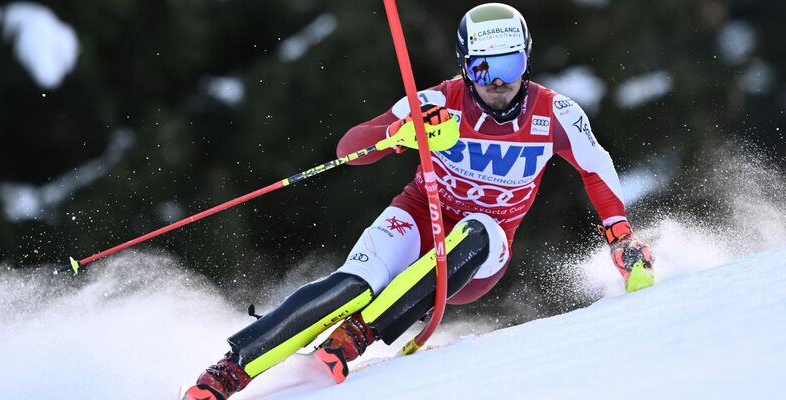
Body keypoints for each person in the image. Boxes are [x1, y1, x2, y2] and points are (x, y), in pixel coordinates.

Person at [181, 3, 654, 400]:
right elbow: (349, 148)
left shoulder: (555, 113)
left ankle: (358, 336)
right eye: (482, 68)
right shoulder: (437, 102)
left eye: (509, 66)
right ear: (464, 64)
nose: (497, 82)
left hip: (479, 255)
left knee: (480, 229)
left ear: (526, 61)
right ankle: (226, 374)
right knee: (354, 284)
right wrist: (400, 134)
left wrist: (619, 234)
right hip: (417, 215)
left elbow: (596, 168)